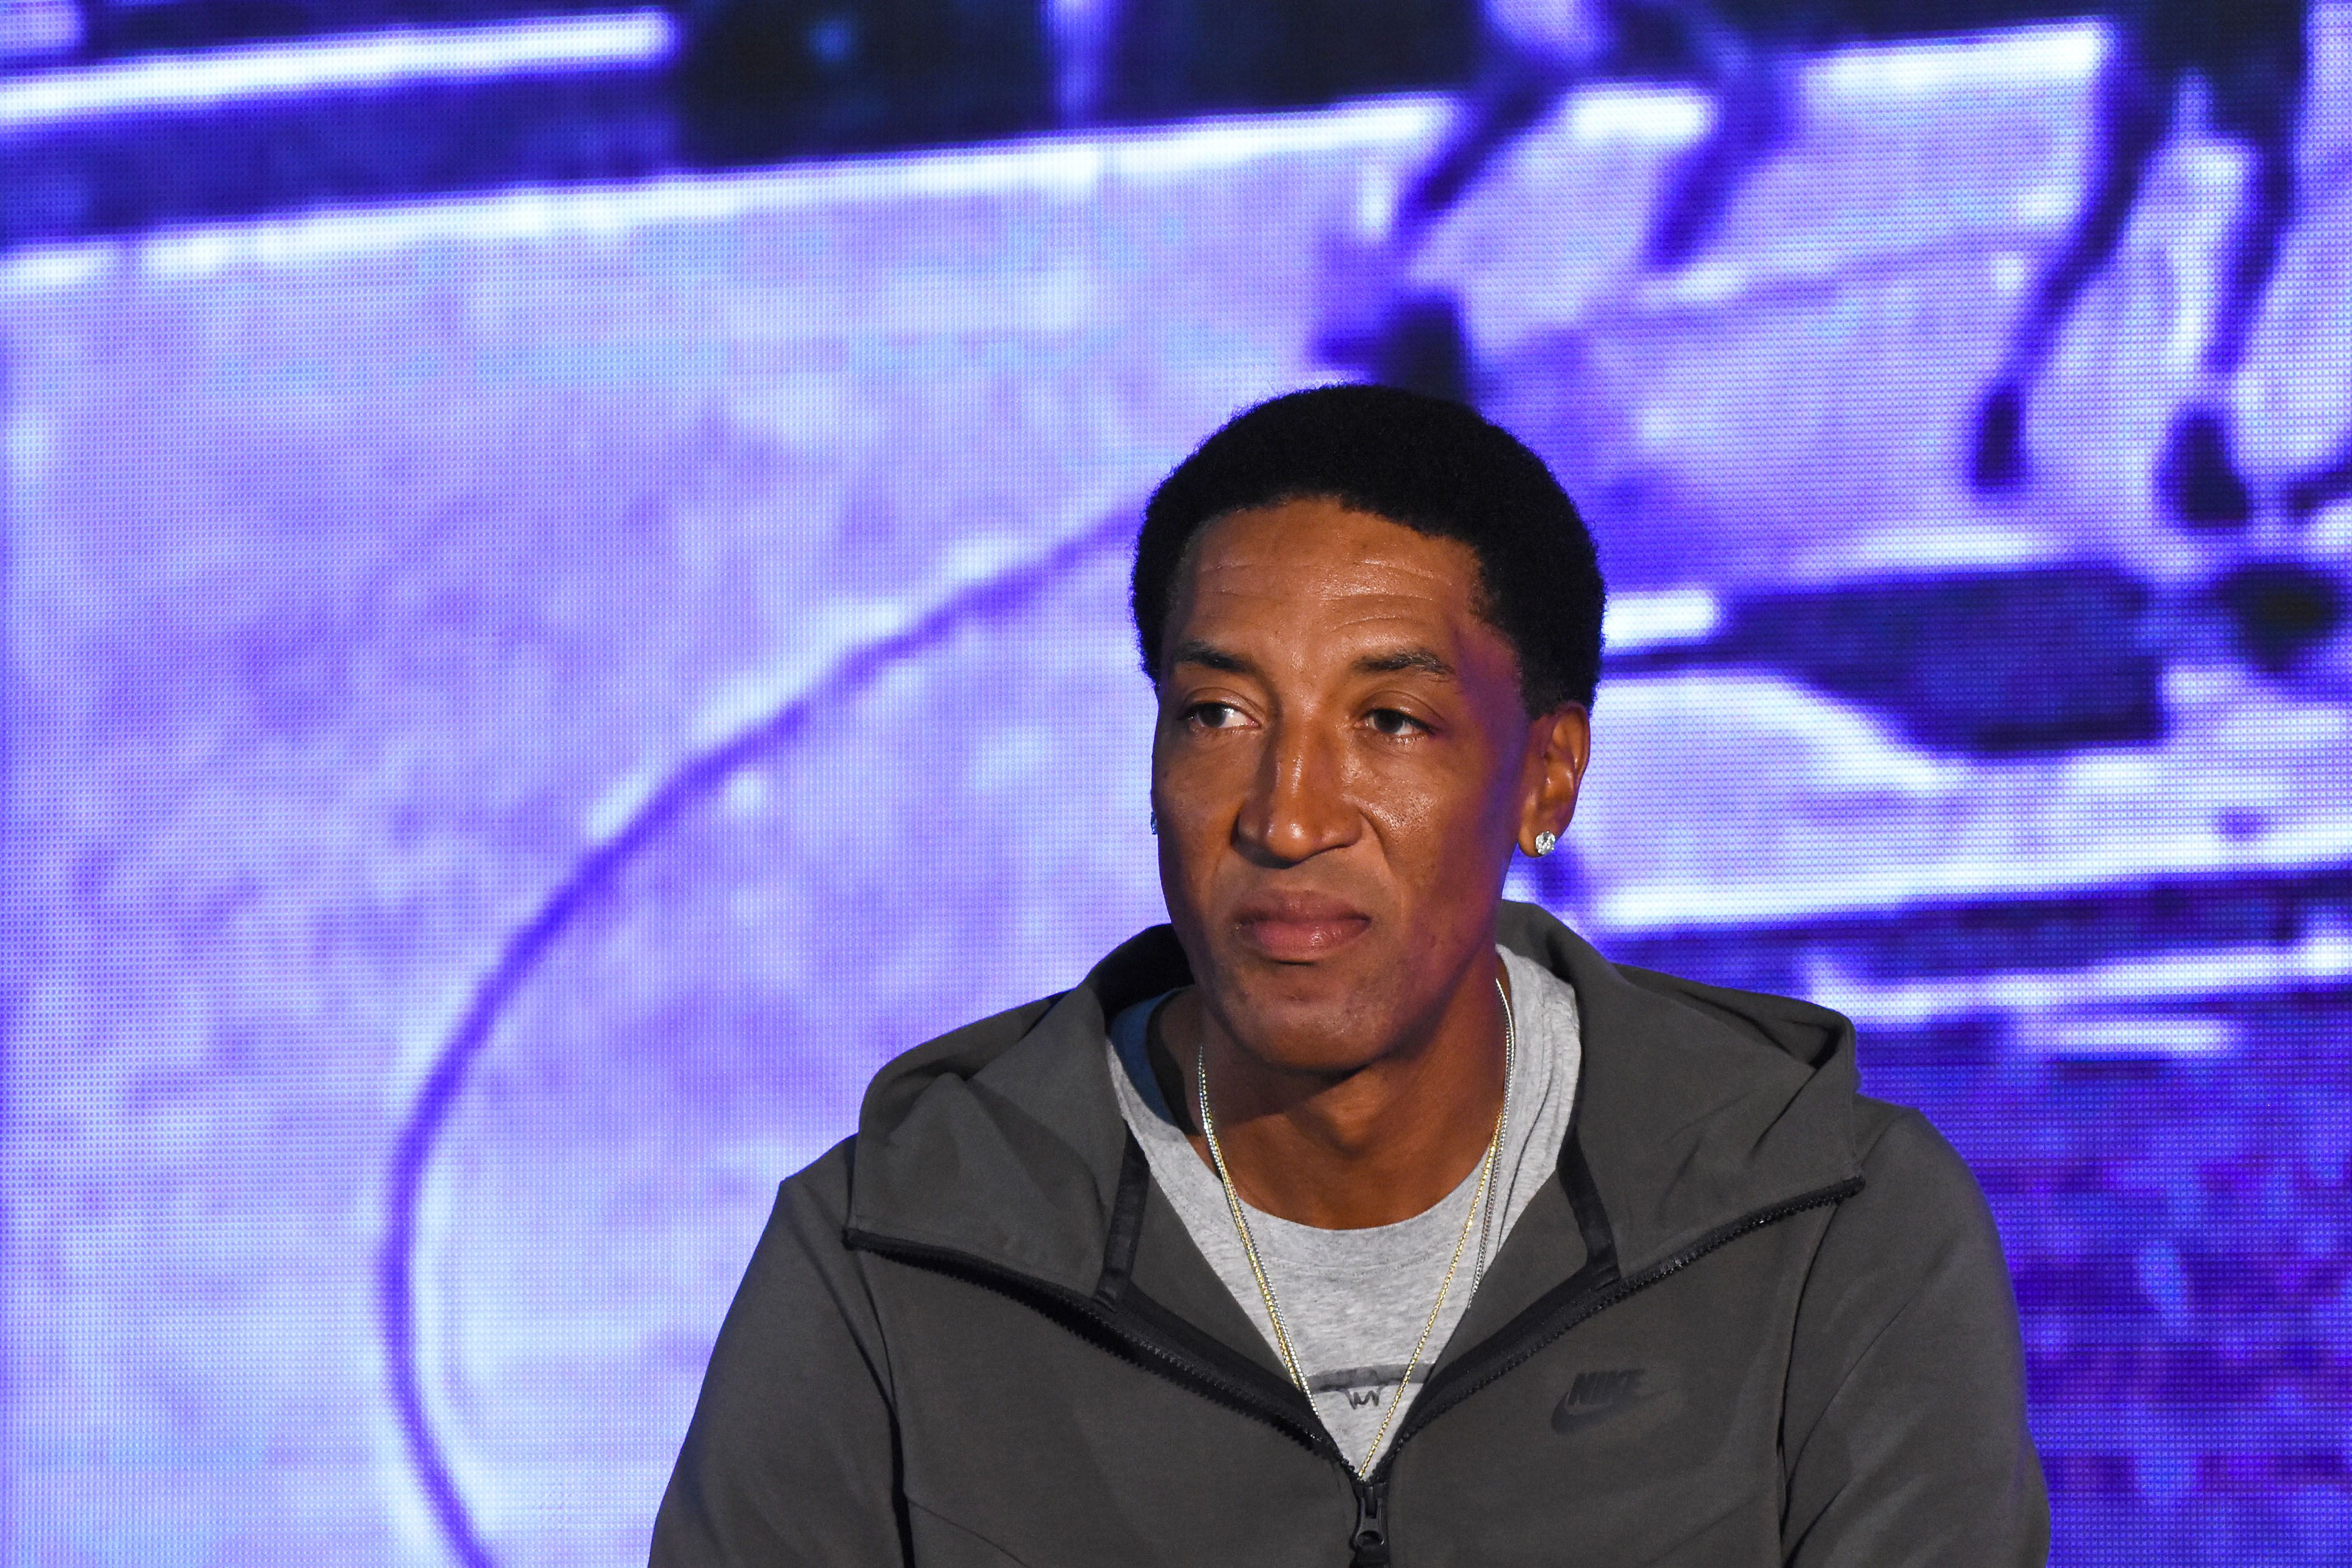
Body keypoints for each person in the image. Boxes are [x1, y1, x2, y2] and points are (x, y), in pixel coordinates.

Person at [650, 385, 2049, 1566]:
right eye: (1218, 713)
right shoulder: (893, 1252)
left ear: (1546, 775)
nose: (1288, 814)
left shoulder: (1827, 1227)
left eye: (1389, 719)